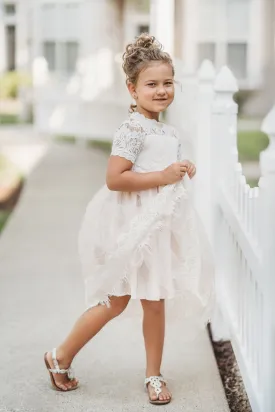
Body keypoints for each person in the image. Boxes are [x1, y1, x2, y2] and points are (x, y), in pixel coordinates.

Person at [44, 33, 214, 406]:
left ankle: (154, 374)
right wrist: (163, 176)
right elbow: (115, 178)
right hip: (129, 228)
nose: (161, 90)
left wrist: (182, 168)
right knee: (114, 300)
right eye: (151, 84)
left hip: (157, 226)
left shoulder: (167, 131)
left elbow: (163, 169)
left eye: (168, 83)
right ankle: (60, 355)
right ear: (132, 89)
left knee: (155, 301)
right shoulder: (132, 129)